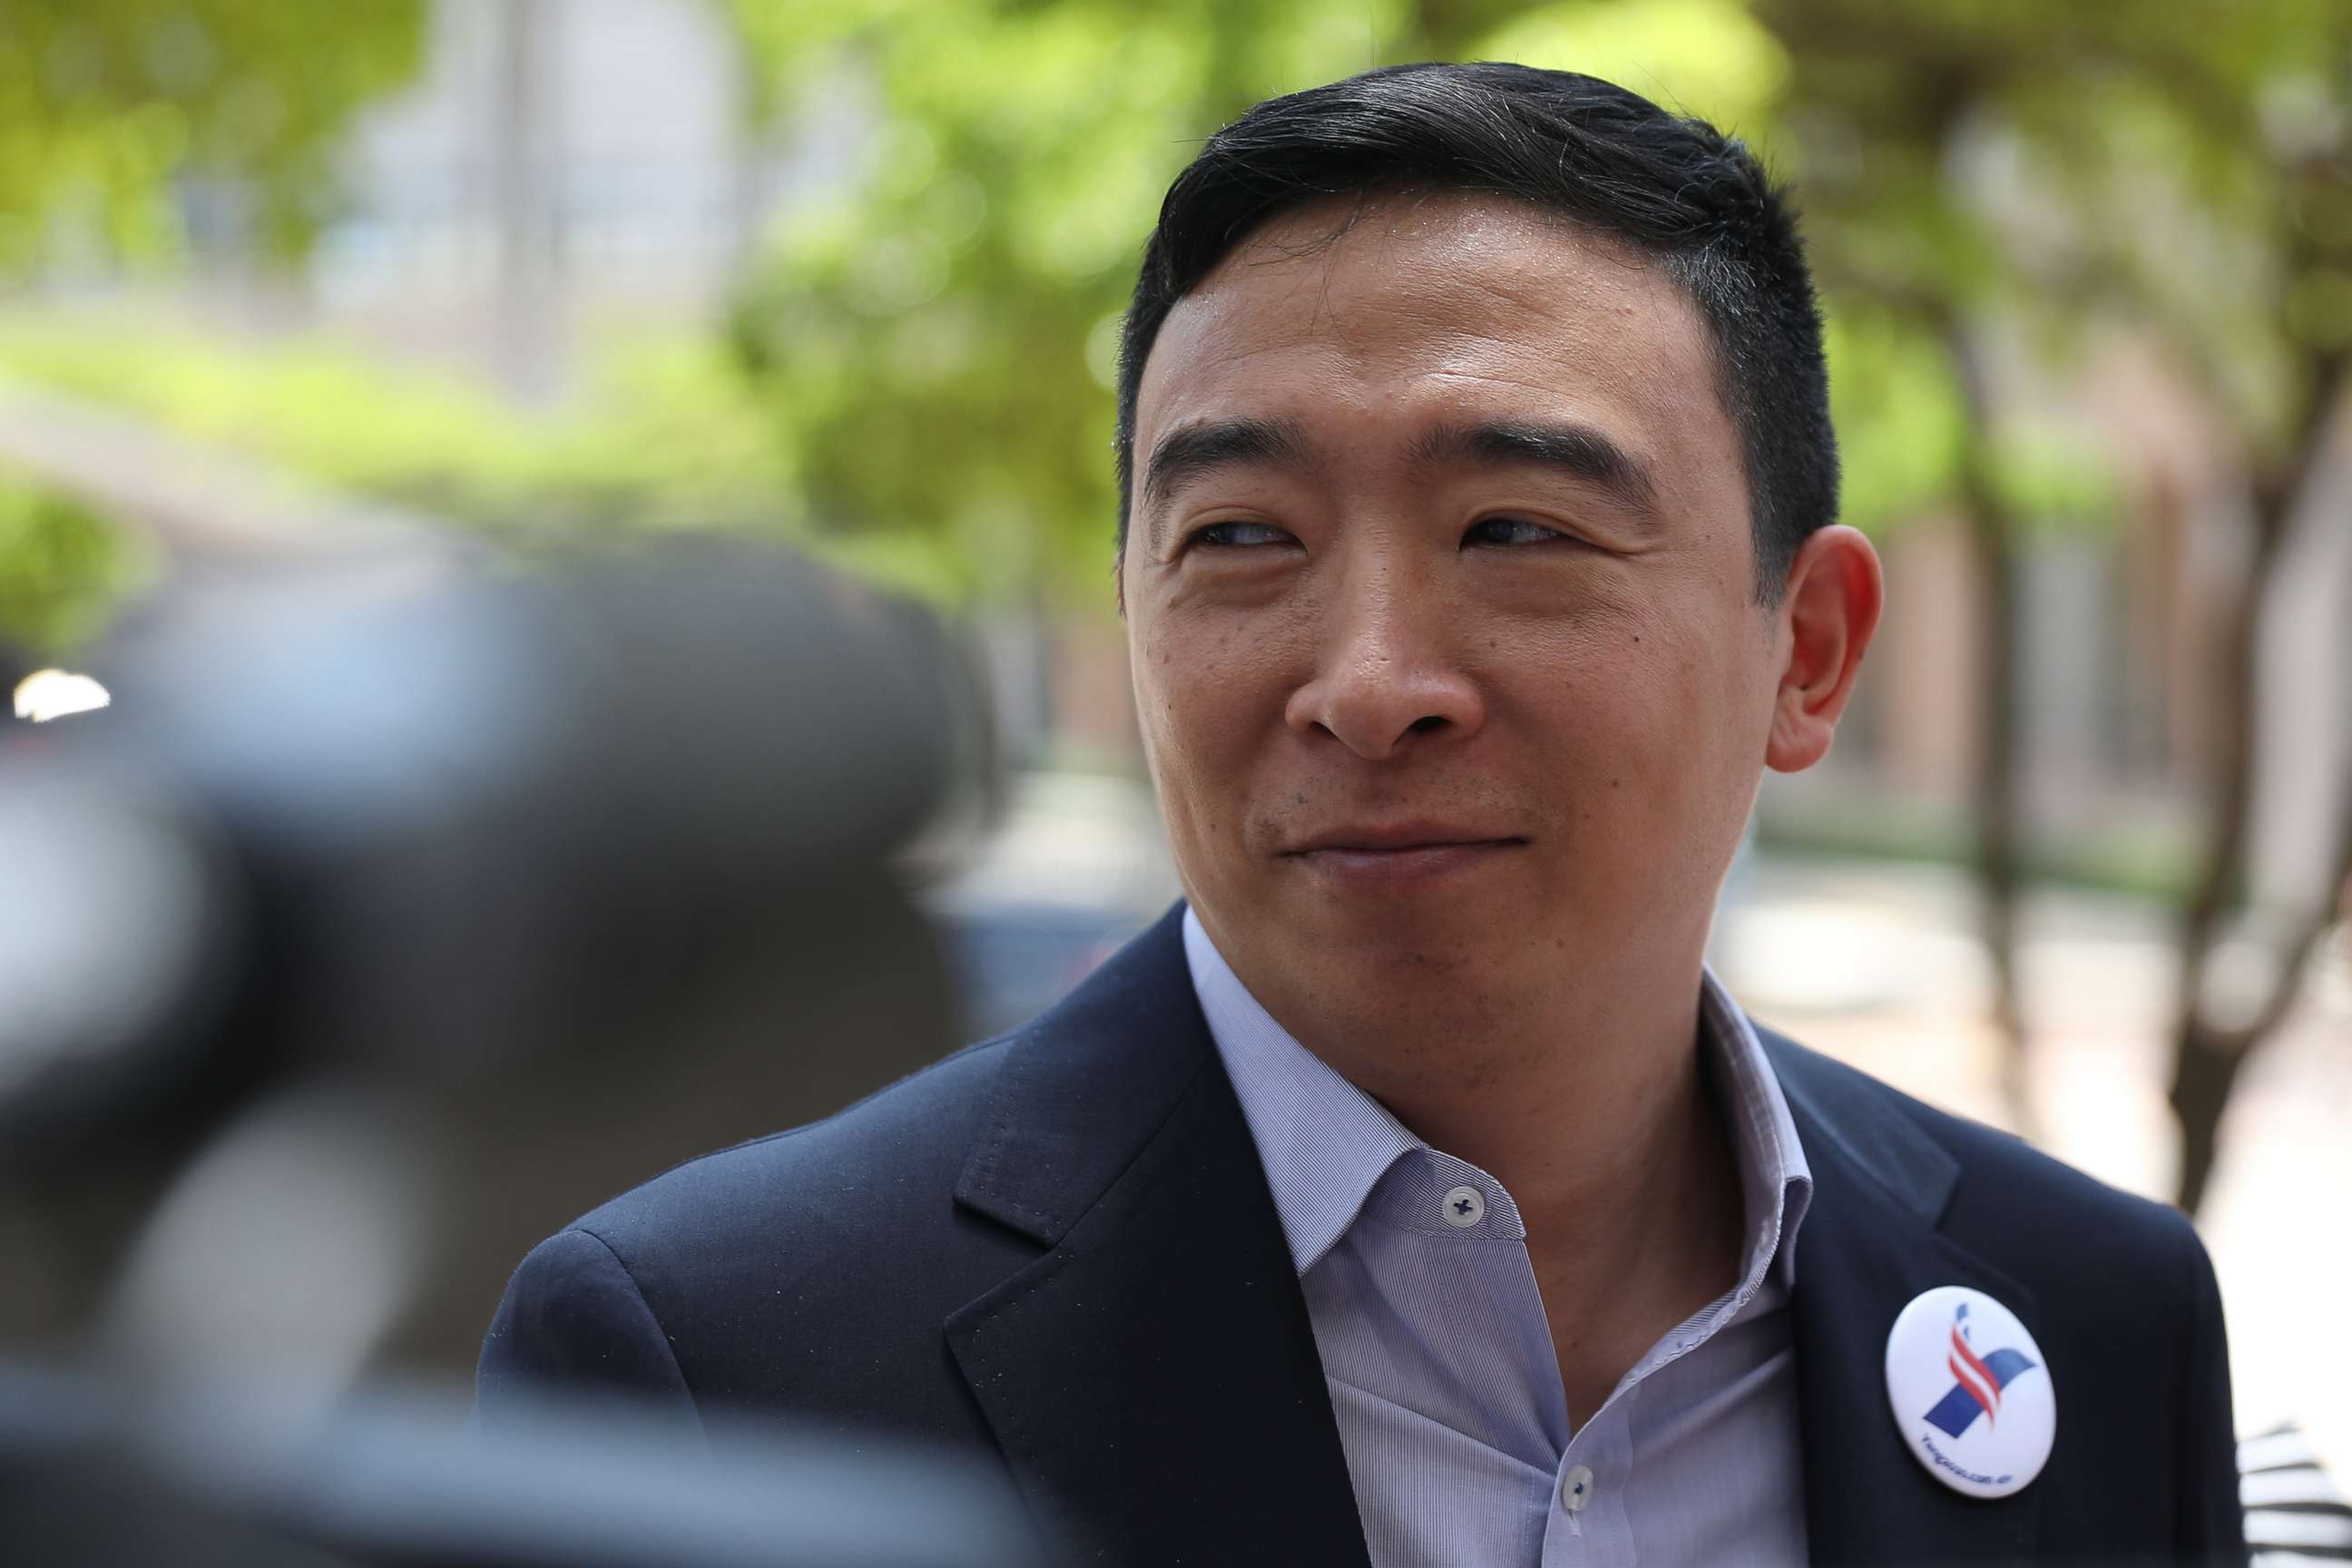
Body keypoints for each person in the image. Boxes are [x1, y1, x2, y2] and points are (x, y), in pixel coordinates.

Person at [477, 64, 2244, 1566]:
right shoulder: (712, 1366)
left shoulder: (2090, 1315)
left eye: (1516, 531)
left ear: (1813, 650)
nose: (1370, 679)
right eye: (1242, 537)